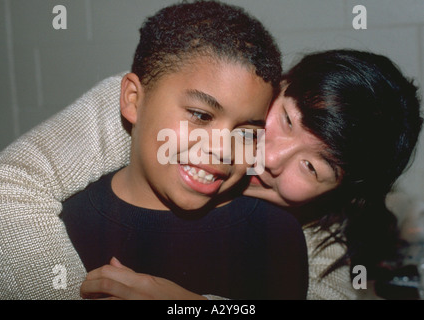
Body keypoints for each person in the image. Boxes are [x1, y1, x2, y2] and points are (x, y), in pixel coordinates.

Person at [0, 1, 309, 300]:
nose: (222, 149)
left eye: (246, 133)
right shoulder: (51, 226)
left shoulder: (274, 237)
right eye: (200, 115)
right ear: (133, 99)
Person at [77, 49, 423, 300]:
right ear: (280, 83)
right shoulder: (143, 114)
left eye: (311, 168)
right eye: (287, 119)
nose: (270, 157)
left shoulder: (315, 241)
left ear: (334, 194)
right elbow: (21, 185)